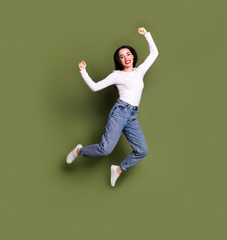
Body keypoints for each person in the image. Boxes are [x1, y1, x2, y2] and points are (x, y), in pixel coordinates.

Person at [66, 27, 159, 187]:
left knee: (142, 150)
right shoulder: (117, 75)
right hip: (120, 113)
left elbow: (154, 54)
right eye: (122, 57)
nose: (126, 58)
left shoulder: (139, 71)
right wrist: (83, 72)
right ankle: (79, 151)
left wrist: (147, 35)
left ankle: (118, 170)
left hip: (132, 116)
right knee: (105, 149)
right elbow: (95, 87)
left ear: (133, 55)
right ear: (119, 61)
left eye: (128, 54)